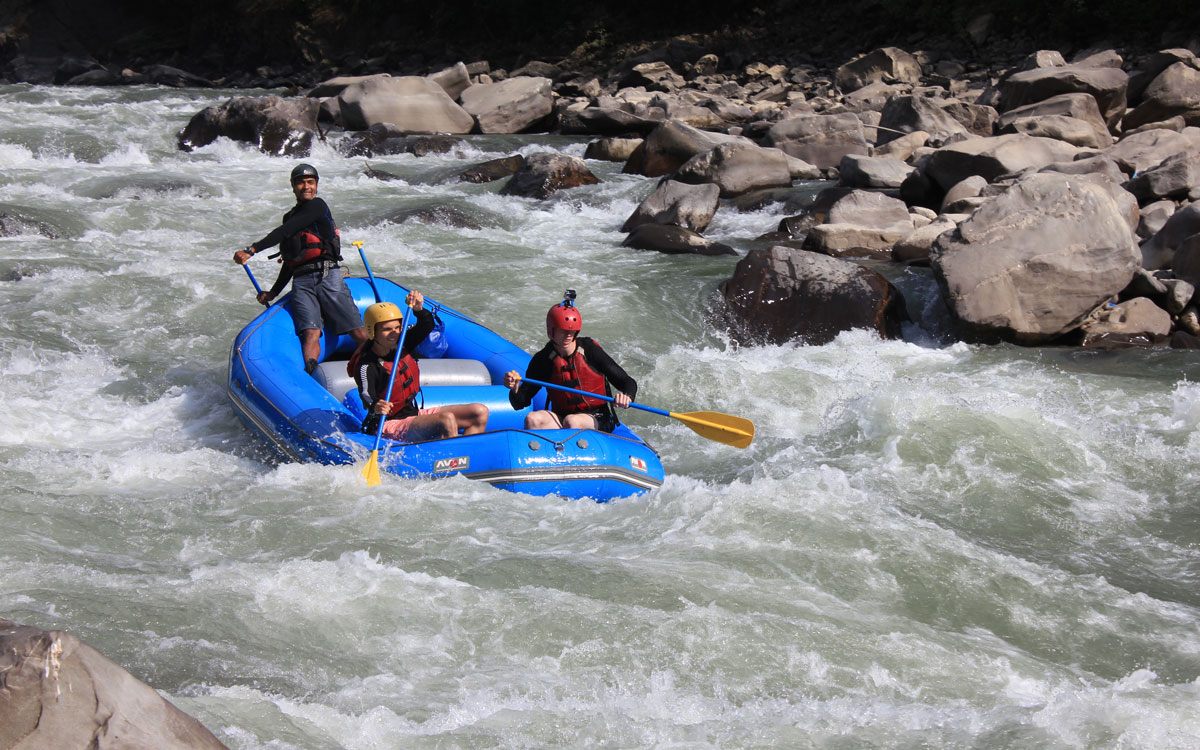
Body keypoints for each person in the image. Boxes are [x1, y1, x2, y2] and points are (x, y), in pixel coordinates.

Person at [233, 163, 367, 375]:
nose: (306, 186)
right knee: (310, 332)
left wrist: (252, 250)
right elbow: (290, 260)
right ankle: (312, 376)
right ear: (293, 186)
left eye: (310, 182)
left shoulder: (318, 207)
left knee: (355, 328)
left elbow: (285, 231)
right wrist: (274, 292)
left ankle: (380, 367)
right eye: (301, 182)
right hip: (302, 281)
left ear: (316, 186)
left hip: (326, 275)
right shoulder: (290, 216)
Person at [350, 291, 489, 442]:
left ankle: (468, 455)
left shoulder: (402, 344)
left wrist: (419, 309)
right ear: (373, 331)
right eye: (387, 329)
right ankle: (454, 461)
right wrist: (377, 405)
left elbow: (426, 325)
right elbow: (366, 395)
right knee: (446, 420)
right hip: (387, 424)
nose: (394, 333)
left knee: (479, 411)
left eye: (397, 328)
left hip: (413, 415)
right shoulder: (367, 364)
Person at [502, 295, 636, 432]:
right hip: (562, 416)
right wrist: (514, 388)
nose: (568, 335)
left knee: (572, 421)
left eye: (571, 331)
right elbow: (520, 402)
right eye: (563, 330)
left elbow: (627, 382)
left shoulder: (590, 350)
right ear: (551, 331)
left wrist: (627, 396)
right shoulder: (543, 360)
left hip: (598, 417)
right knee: (532, 419)